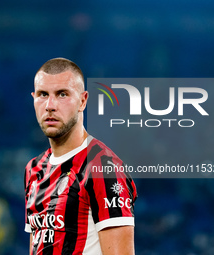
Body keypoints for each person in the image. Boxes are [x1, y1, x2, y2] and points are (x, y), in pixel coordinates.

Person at [24, 57, 137, 255]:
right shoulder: (33, 169)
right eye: (43, 94)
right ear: (33, 98)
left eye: (62, 94)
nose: (50, 105)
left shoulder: (102, 168)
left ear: (82, 100)